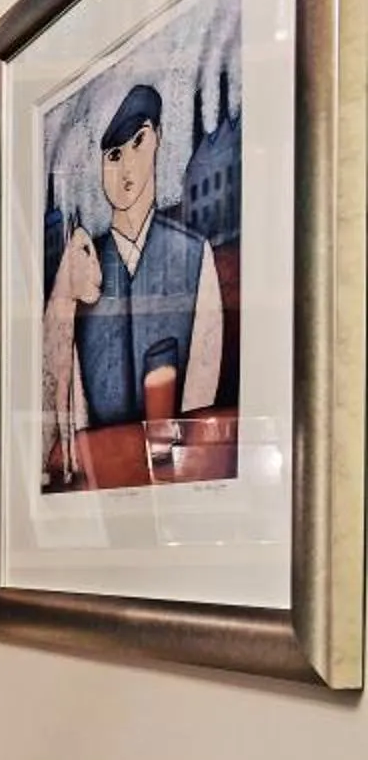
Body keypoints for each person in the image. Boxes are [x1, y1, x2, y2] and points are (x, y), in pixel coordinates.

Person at [42, 83, 224, 482]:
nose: (126, 168)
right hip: (100, 481)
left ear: (157, 138)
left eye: (138, 142)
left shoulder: (193, 255)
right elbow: (71, 405)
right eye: (113, 154)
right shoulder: (81, 269)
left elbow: (201, 389)